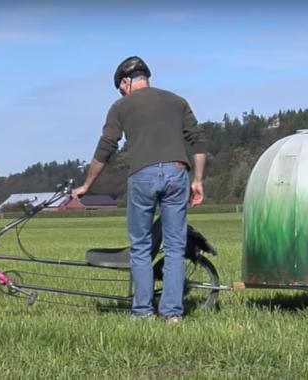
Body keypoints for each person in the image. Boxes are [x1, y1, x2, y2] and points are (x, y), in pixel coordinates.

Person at [72, 56, 207, 324]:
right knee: (175, 245)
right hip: (177, 171)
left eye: (120, 88)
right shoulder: (177, 101)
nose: (122, 92)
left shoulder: (120, 106)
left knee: (142, 246)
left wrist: (87, 185)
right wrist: (198, 180)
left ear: (126, 82)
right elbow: (198, 141)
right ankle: (172, 314)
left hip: (143, 176)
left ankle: (143, 312)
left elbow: (106, 146)